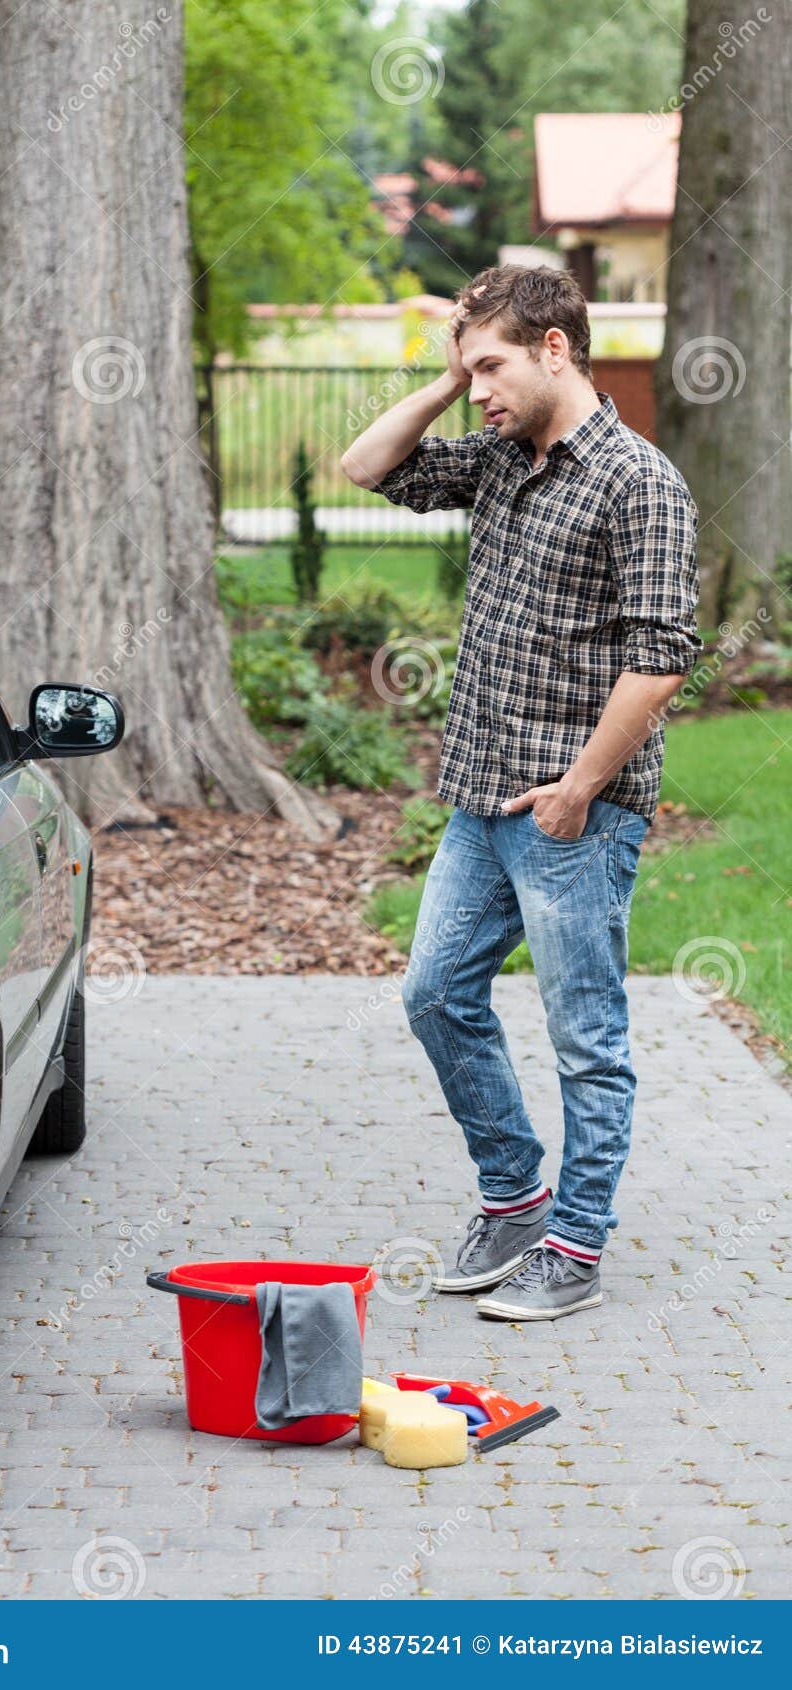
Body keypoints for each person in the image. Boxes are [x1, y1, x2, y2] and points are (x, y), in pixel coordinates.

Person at [341, 264, 702, 1320]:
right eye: (467, 368)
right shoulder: (499, 458)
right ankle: (511, 1196)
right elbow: (366, 466)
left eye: (492, 363)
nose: (478, 385)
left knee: (584, 1037)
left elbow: (661, 654)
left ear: (555, 349)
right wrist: (454, 382)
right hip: (477, 798)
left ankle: (574, 1248)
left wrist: (579, 788)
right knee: (434, 996)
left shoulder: (637, 482)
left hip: (571, 816)